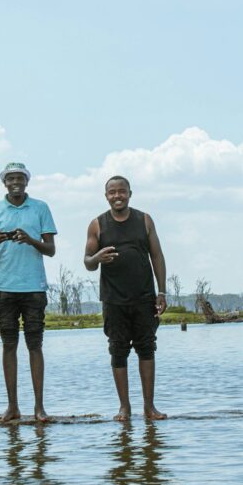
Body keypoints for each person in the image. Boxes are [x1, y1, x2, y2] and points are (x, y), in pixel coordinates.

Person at [84, 176, 168, 421]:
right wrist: (97, 257)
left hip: (144, 297)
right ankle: (124, 407)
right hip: (113, 300)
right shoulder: (97, 225)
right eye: (112, 192)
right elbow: (88, 263)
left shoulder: (144, 220)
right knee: (118, 352)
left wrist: (161, 292)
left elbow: (157, 256)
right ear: (106, 196)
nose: (117, 196)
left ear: (130, 193)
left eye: (122, 191)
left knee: (147, 349)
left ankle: (149, 408)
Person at [0, 161, 57, 422]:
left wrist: (30, 239)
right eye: (10, 178)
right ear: (4, 182)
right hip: (4, 287)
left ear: (27, 181)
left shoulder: (40, 208)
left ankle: (39, 407)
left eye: (20, 178)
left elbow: (50, 250)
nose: (15, 182)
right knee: (9, 345)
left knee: (35, 345)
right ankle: (12, 406)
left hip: (34, 286)